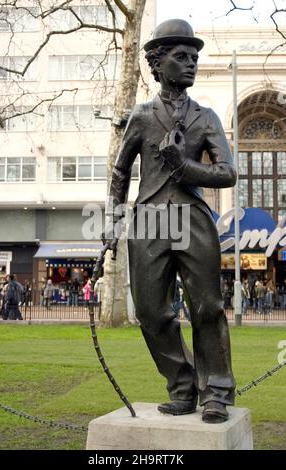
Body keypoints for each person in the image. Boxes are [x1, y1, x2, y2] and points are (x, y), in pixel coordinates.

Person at [103, 19, 236, 423]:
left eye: (195, 57)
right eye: (182, 57)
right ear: (158, 65)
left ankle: (216, 391)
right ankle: (182, 386)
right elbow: (120, 172)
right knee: (150, 311)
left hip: (192, 218)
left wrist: (184, 165)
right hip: (148, 222)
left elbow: (227, 174)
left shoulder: (207, 117)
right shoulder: (141, 117)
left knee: (207, 307)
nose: (192, 64)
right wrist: (111, 221)